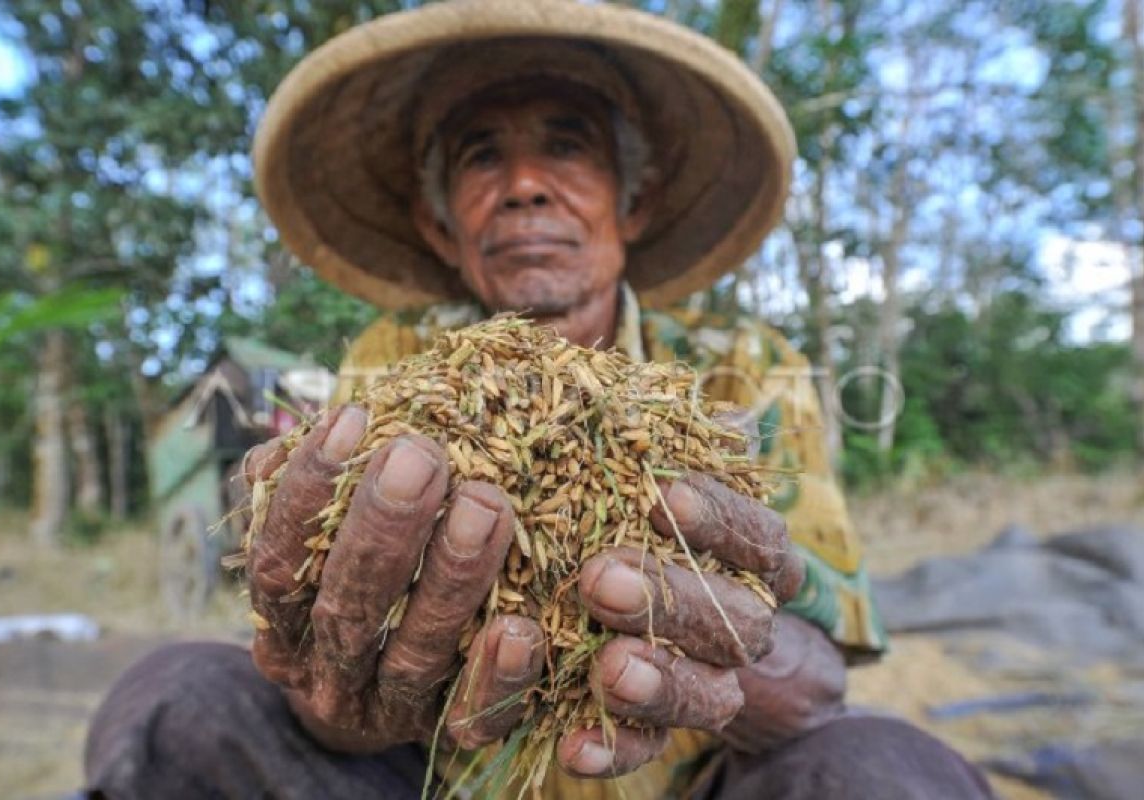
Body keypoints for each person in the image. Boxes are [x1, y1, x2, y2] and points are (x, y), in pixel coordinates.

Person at [84, 1, 993, 797]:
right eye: (483, 158)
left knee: (881, 770)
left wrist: (723, 631)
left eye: (567, 146)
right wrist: (341, 674)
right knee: (181, 703)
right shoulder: (398, 364)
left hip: (693, 781)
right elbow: (341, 677)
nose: (524, 184)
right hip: (444, 784)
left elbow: (820, 688)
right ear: (444, 227)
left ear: (631, 206)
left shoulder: (742, 370)